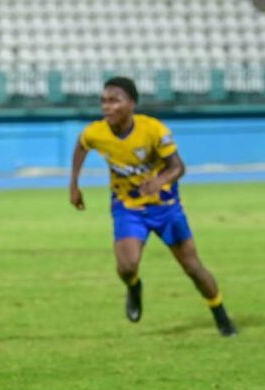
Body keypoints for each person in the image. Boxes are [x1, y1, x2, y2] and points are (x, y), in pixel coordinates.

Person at [69, 77, 237, 336]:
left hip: (166, 208)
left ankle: (221, 315)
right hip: (128, 208)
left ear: (131, 104)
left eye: (114, 101)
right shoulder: (96, 132)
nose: (106, 107)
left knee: (192, 267)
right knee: (126, 266)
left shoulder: (154, 130)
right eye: (104, 101)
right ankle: (134, 287)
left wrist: (159, 180)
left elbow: (178, 167)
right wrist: (74, 184)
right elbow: (82, 145)